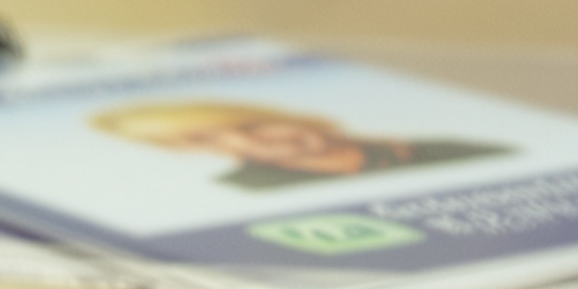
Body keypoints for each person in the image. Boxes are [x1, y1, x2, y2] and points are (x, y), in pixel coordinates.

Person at [89, 100, 509, 190]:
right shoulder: (249, 191)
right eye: (202, 138)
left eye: (251, 125)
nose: (242, 142)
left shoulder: (450, 148)